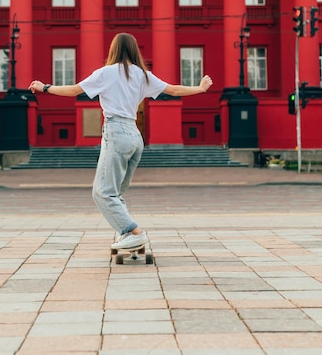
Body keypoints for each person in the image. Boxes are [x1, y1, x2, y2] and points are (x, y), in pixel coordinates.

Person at [28, 32, 213, 251]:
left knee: (103, 192)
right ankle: (125, 234)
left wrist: (44, 87)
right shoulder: (143, 75)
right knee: (115, 193)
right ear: (134, 50)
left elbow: (74, 90)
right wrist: (200, 89)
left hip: (117, 132)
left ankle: (133, 233)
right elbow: (172, 89)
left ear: (113, 50)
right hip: (135, 136)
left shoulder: (106, 73)